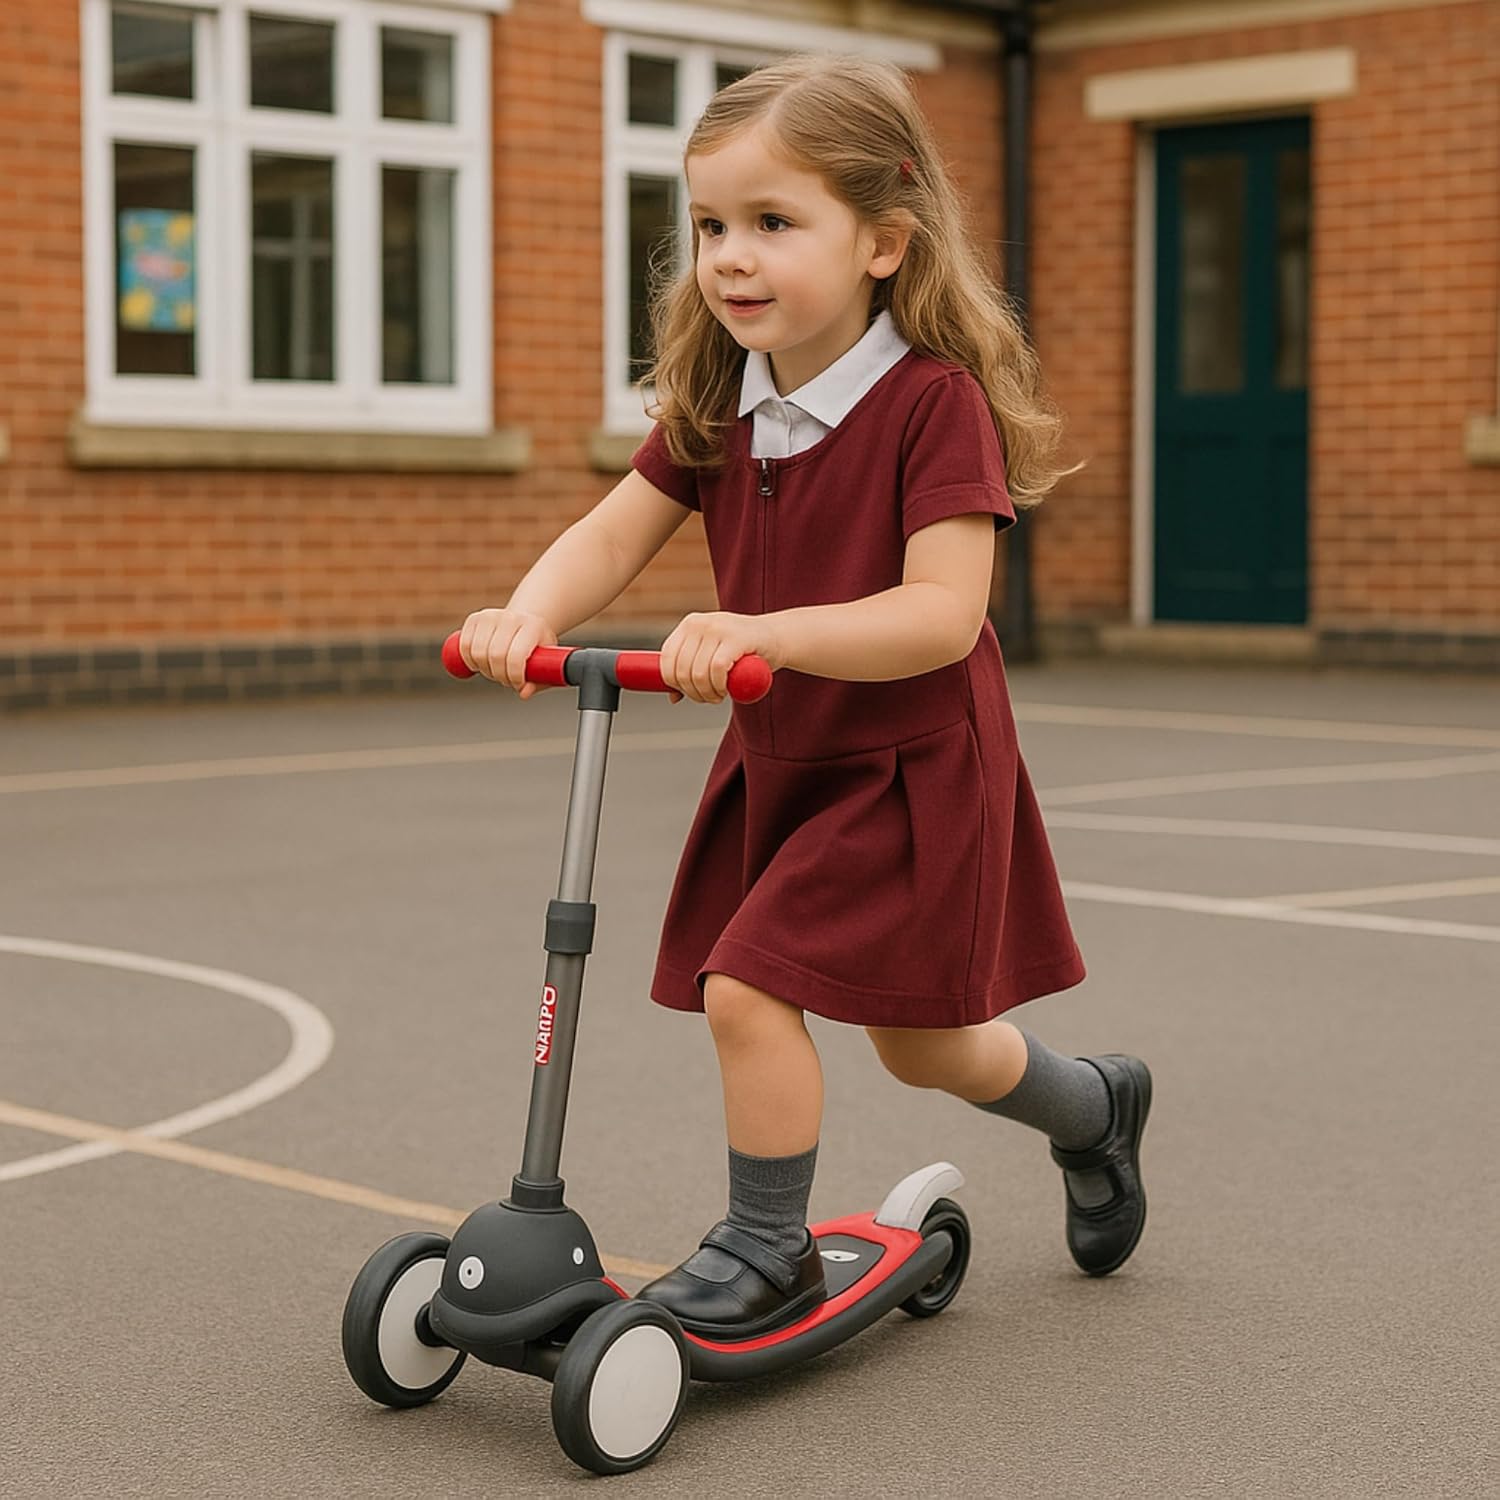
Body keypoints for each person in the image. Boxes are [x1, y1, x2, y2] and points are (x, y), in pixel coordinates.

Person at [458, 53, 1151, 1337]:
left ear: (884, 241)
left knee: (798, 1003)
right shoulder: (726, 397)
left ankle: (766, 1246)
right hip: (785, 755)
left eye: (775, 224)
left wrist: (767, 628)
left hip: (910, 762)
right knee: (923, 1043)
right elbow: (615, 532)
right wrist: (528, 614)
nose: (731, 257)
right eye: (712, 225)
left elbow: (943, 616)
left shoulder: (929, 404)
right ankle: (1097, 1107)